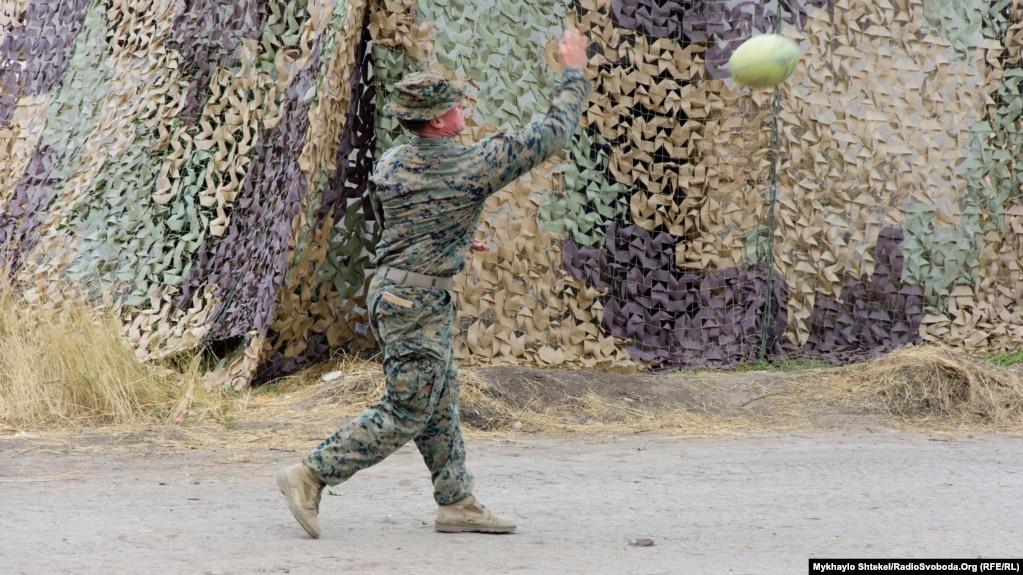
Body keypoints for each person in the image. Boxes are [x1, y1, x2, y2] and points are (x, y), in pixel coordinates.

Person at [275, 28, 592, 539]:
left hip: (400, 291)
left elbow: (406, 217)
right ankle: (311, 474)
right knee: (407, 407)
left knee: (438, 397)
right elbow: (553, 133)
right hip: (415, 301)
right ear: (441, 121)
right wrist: (573, 70)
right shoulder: (471, 165)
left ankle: (457, 501)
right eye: (455, 105)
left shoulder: (393, 163)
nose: (461, 109)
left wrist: (454, 238)